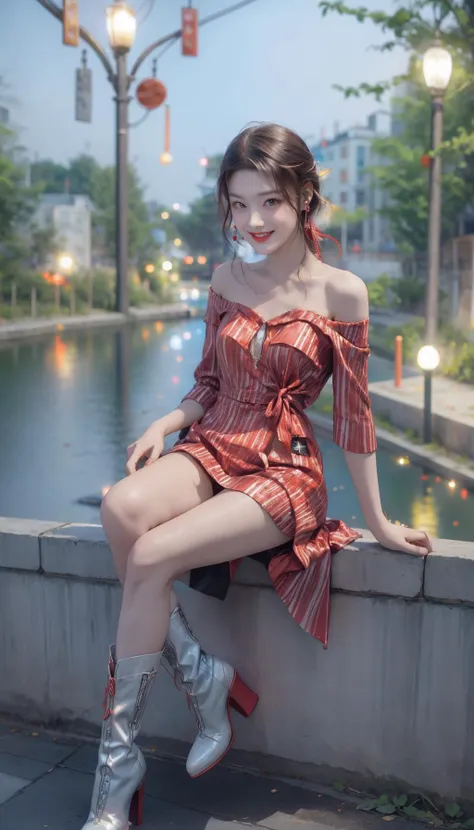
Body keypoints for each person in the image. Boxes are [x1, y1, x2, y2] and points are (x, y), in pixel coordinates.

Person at [81, 123, 432, 829]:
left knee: (149, 555)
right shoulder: (225, 278)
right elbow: (209, 382)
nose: (253, 222)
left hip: (283, 470)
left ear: (305, 196)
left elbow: (357, 425)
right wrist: (165, 424)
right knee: (121, 508)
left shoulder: (343, 294)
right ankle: (204, 678)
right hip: (214, 442)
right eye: (238, 205)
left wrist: (382, 522)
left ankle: (114, 781)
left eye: (269, 202)